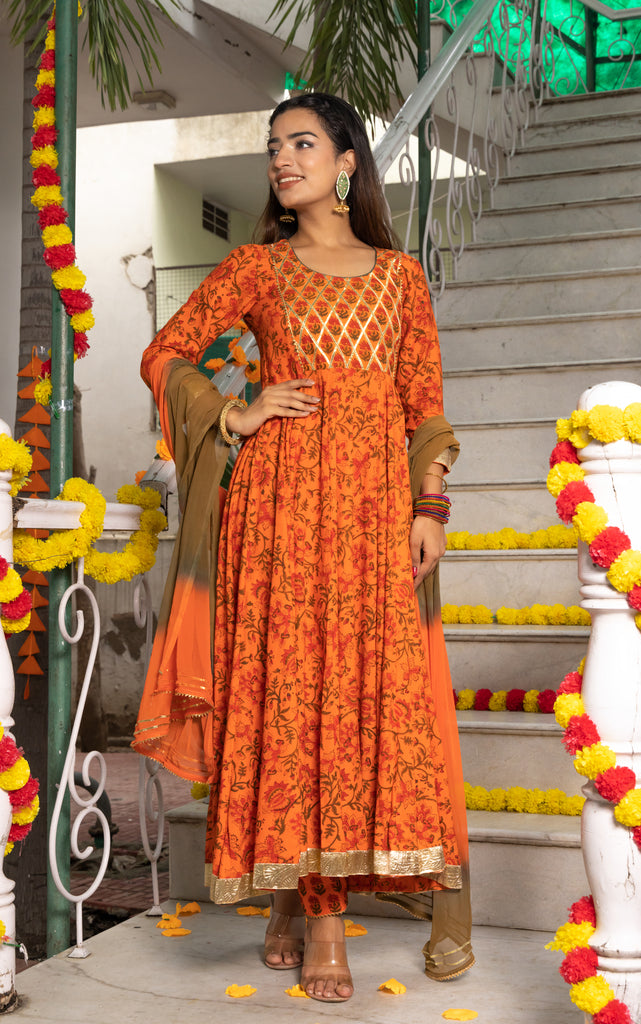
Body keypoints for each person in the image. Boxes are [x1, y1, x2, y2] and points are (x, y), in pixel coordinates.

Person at [133, 92, 473, 1002]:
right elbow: (166, 351)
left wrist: (429, 505)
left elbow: (424, 403)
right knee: (290, 697)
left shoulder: (400, 278)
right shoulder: (258, 266)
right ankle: (320, 922)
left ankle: (292, 899)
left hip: (370, 514)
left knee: (354, 702)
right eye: (273, 146)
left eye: (302, 143)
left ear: (347, 161)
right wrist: (234, 412)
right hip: (278, 509)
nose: (283, 159)